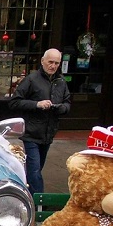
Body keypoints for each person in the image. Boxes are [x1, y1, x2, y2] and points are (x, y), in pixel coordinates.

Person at [8, 48, 71, 196]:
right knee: (34, 170)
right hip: (31, 132)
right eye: (50, 62)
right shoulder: (32, 79)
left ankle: (27, 196)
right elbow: (14, 102)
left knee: (36, 170)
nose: (53, 66)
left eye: (56, 63)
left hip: (48, 133)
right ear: (43, 61)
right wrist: (37, 104)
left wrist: (60, 107)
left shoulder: (61, 82)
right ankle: (39, 204)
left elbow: (68, 104)